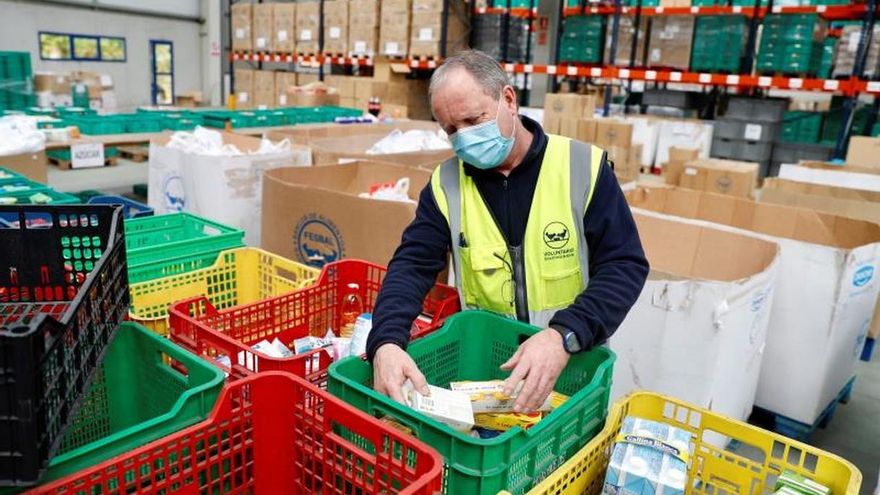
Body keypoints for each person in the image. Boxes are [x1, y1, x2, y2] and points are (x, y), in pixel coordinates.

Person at [365, 49, 649, 413]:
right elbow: (412, 265)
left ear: (508, 100)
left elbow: (625, 264)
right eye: (451, 129)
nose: (464, 138)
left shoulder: (582, 167)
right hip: (491, 381)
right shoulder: (446, 185)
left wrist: (564, 334)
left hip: (571, 366)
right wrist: (386, 341)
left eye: (473, 119)